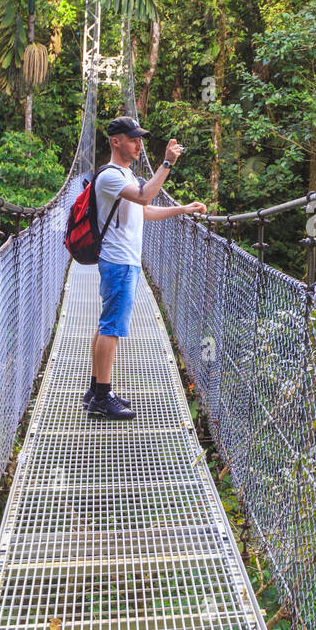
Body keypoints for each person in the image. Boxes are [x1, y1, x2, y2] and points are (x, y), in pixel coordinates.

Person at [87, 116, 207, 419]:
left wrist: (182, 208)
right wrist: (166, 164)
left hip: (124, 259)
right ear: (116, 142)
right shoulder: (111, 176)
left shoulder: (125, 174)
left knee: (106, 324)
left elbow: (145, 210)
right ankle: (102, 397)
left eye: (139, 138)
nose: (139, 144)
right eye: (132, 139)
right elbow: (145, 195)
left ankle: (96, 390)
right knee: (111, 327)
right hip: (119, 261)